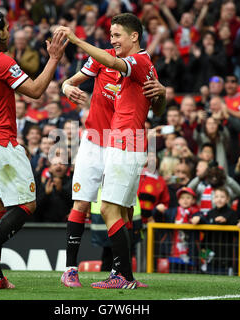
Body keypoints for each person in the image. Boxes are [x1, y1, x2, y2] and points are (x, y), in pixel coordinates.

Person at [0, 9, 68, 289]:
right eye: (6, 28)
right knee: (26, 204)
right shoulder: (2, 61)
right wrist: (54, 58)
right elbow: (35, 91)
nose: (9, 32)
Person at [55, 13, 166, 289]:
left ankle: (123, 275)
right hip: (105, 140)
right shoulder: (139, 64)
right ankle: (87, 271)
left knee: (112, 209)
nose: (112, 40)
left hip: (124, 142)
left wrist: (77, 40)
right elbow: (156, 105)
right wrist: (66, 85)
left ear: (134, 36)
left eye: (117, 35)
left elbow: (116, 63)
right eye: (111, 35)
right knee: (101, 206)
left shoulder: (135, 62)